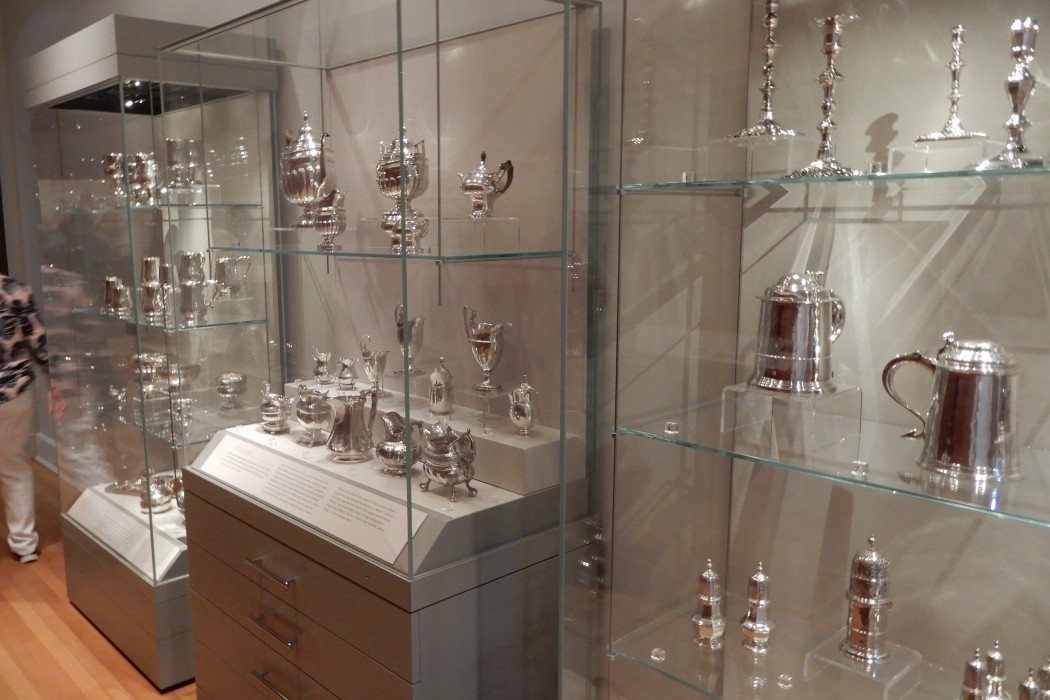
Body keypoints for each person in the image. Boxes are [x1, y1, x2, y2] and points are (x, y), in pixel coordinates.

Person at [0, 273, 64, 563]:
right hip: (13, 392)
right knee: (13, 466)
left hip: (12, 393)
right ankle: (24, 545)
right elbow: (39, 341)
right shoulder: (13, 289)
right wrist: (55, 384)